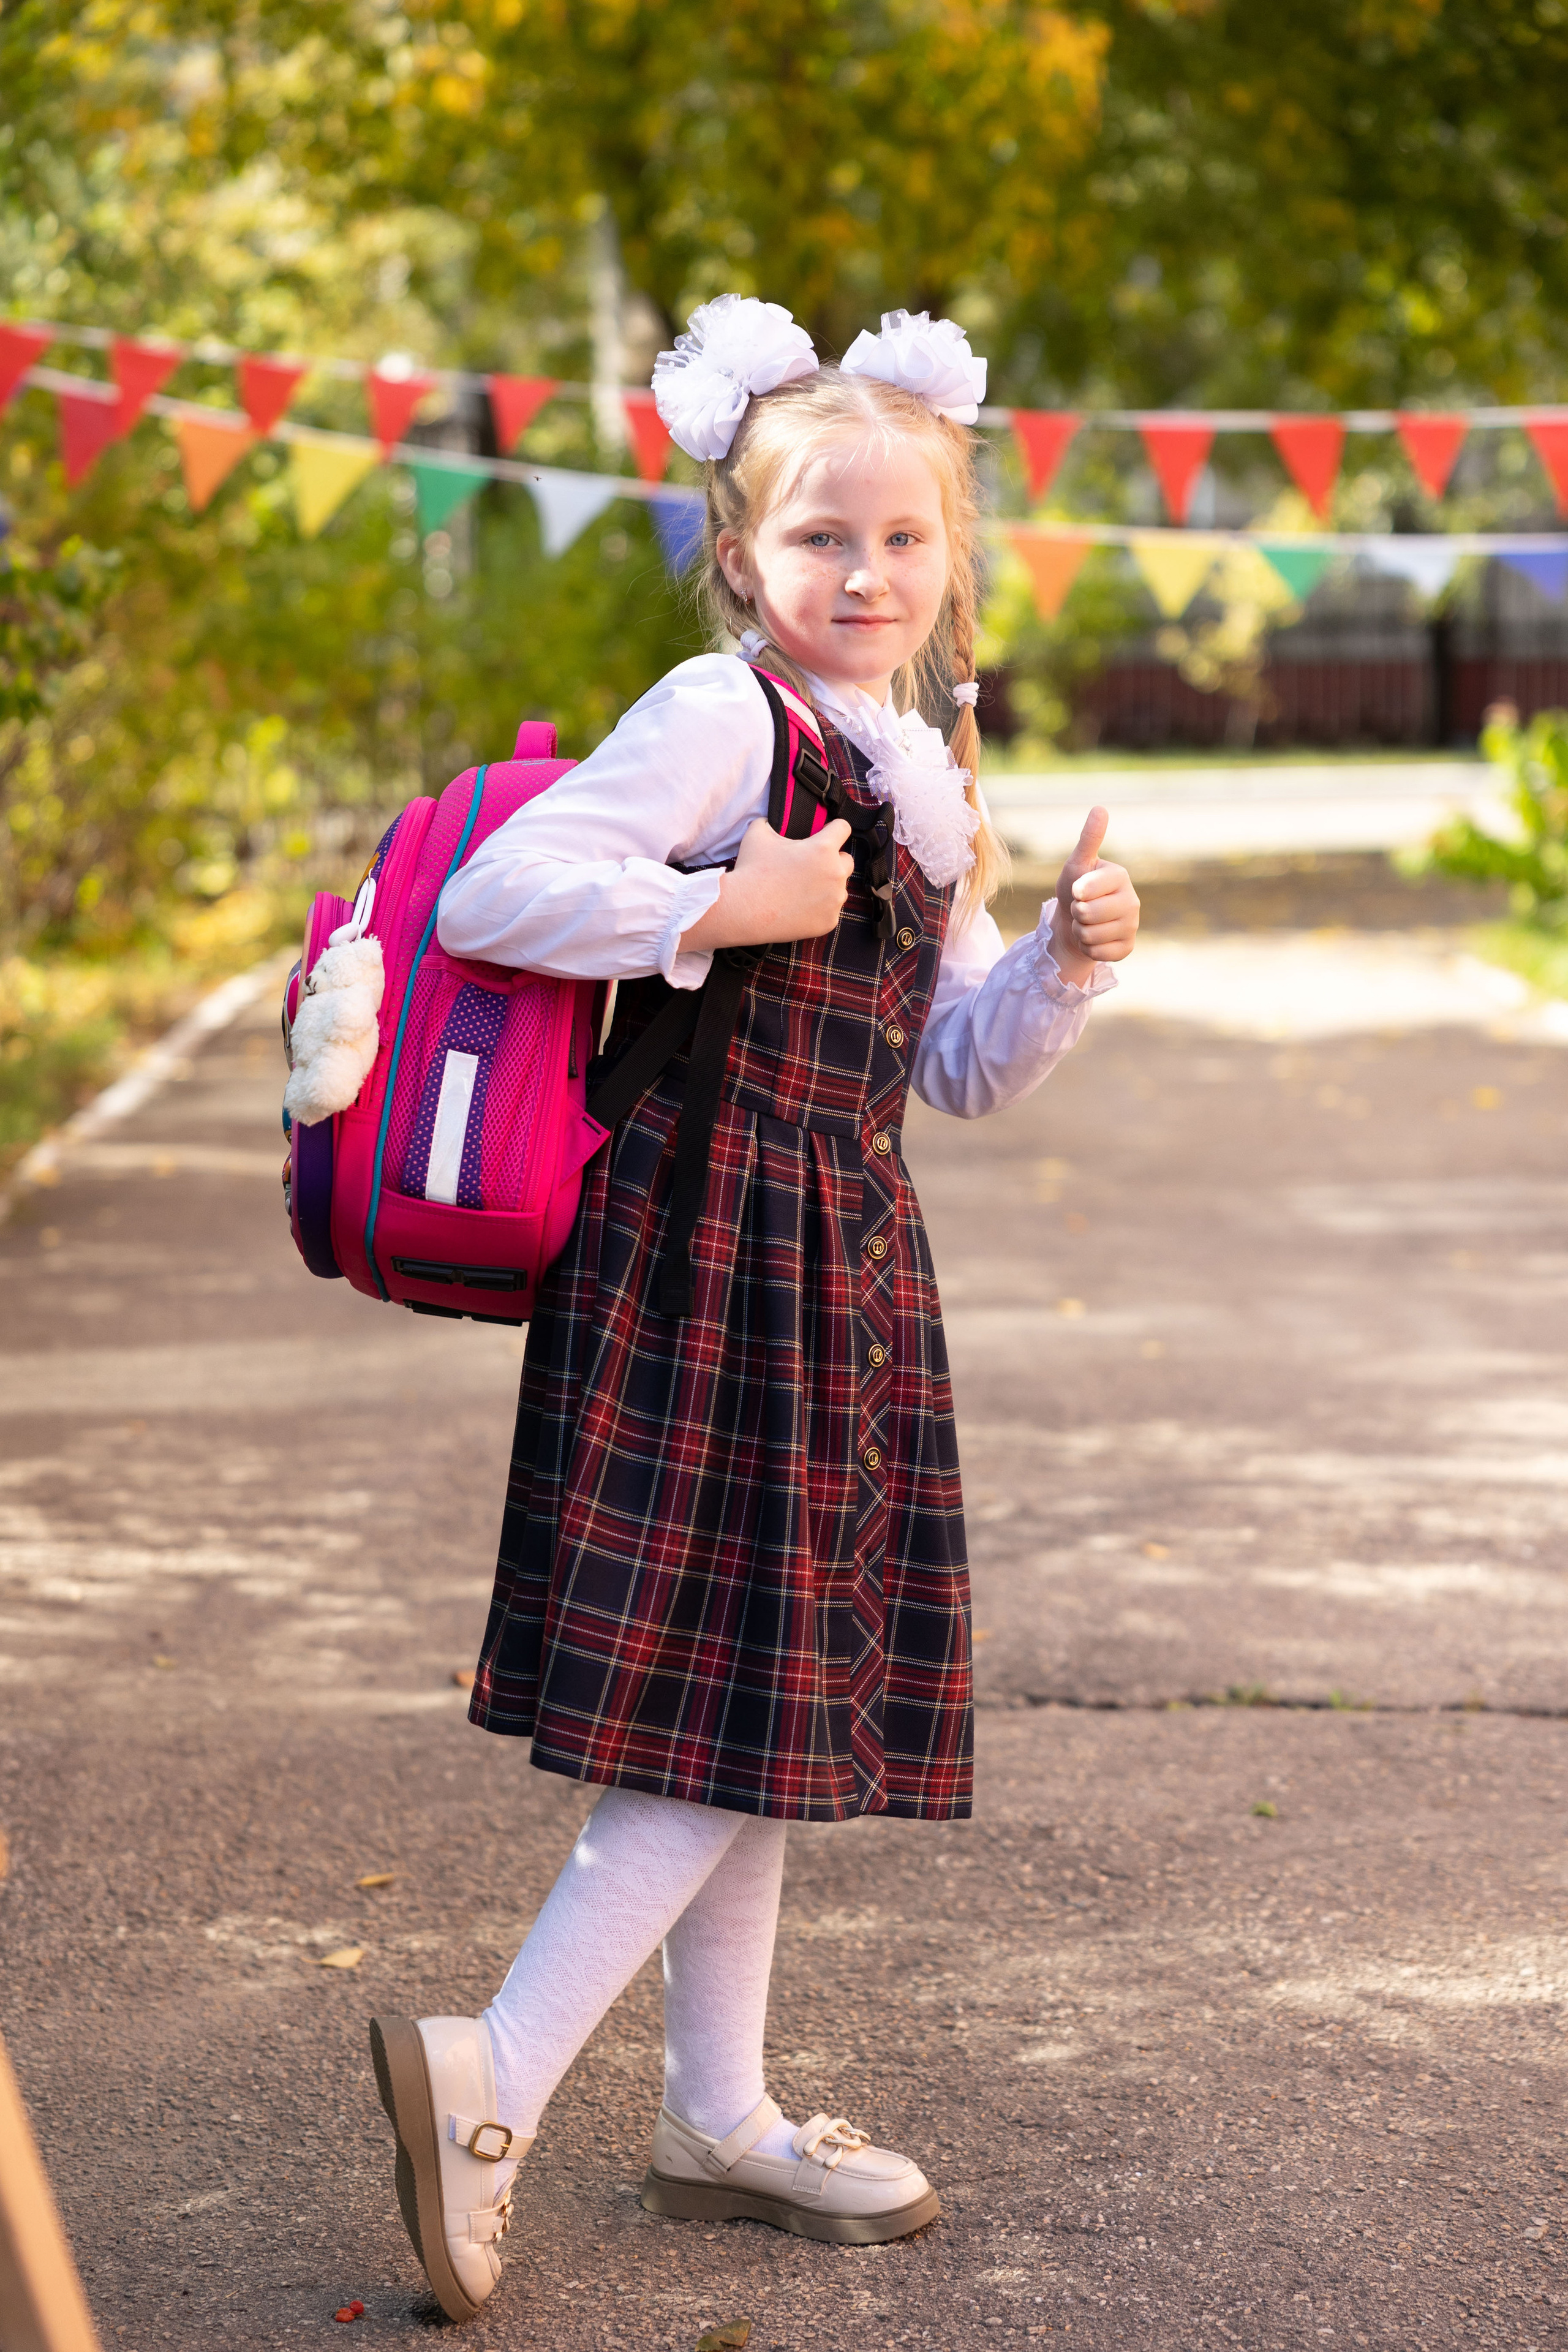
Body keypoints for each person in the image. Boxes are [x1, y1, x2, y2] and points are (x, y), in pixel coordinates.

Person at [368, 297, 1140, 2323]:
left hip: (841, 1252)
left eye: (900, 542)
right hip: (700, 1248)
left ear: (949, 562)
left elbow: (953, 1065)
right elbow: (495, 898)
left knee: (768, 1698)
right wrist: (713, 905)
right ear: (744, 556)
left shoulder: (926, 760)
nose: (863, 574)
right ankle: (499, 2081)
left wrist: (1058, 958)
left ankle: (717, 2113)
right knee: (737, 1709)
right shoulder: (724, 718)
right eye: (820, 541)